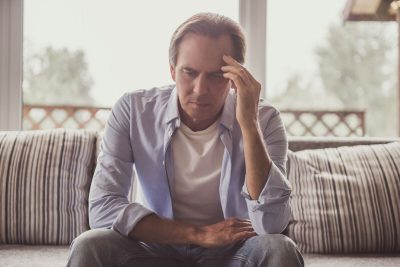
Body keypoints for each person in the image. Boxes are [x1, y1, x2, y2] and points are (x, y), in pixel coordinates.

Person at [67, 12, 304, 267]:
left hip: (232, 252)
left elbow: (271, 223)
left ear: (236, 76)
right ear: (172, 70)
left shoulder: (264, 119)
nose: (200, 89)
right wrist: (199, 234)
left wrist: (249, 123)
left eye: (216, 76)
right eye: (189, 72)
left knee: (279, 248)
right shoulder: (134, 110)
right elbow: (103, 208)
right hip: (154, 249)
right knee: (90, 245)